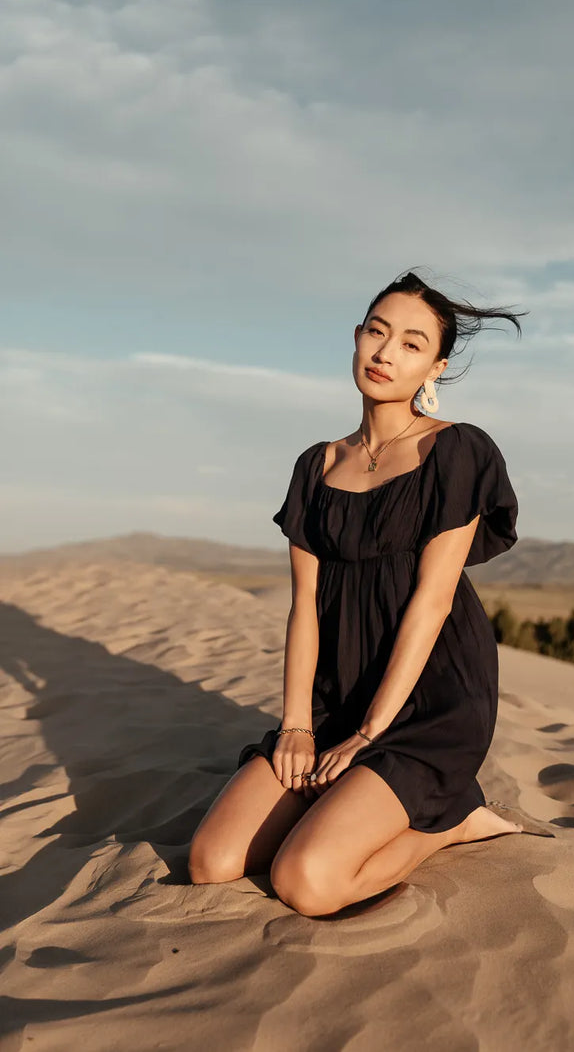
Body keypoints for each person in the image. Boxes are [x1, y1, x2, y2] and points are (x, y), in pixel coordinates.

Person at [189, 269, 536, 917]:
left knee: (306, 879)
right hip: (334, 698)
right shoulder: (315, 466)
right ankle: (345, 798)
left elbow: (433, 600)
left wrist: (370, 733)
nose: (386, 352)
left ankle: (449, 822)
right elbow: (305, 607)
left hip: (426, 701)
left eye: (411, 342)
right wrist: (297, 725)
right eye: (377, 332)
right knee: (214, 862)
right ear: (355, 338)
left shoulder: (456, 451)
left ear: (436, 364)